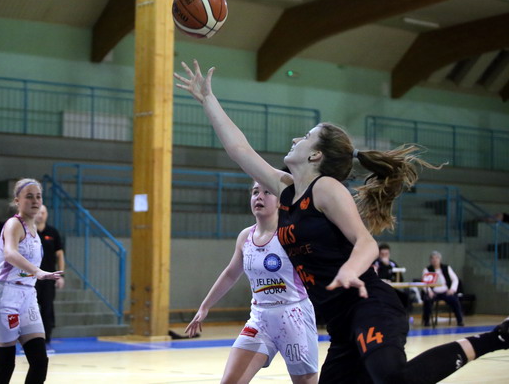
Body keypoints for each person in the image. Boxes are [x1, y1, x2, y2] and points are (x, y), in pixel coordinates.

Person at [174, 60, 509, 383]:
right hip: (340, 324)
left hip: (369, 306)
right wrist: (208, 100)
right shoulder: (286, 190)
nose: (295, 140)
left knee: (393, 379)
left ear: (315, 155)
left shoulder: (325, 189)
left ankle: (495, 338)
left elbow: (366, 242)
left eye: (305, 136)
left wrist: (349, 271)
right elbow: (240, 150)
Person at [186, 181, 318, 383]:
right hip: (260, 318)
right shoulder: (245, 237)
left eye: (267, 192)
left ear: (280, 201)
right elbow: (231, 274)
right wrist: (205, 306)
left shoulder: (292, 235)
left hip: (294, 316)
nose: (259, 197)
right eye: (255, 192)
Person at [0, 178, 63, 384]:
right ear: (17, 200)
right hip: (5, 295)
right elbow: (10, 253)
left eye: (38, 196)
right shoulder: (14, 224)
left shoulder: (35, 230)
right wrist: (37, 272)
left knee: (40, 361)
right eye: (29, 196)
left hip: (27, 296)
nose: (35, 200)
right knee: (5, 366)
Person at [34, 204, 65, 348]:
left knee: (47, 308)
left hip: (49, 277)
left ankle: (46, 337)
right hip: (32, 277)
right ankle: (31, 337)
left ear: (46, 215)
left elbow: (60, 254)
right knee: (31, 308)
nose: (40, 215)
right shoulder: (29, 231)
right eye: (38, 212)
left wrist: (61, 275)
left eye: (43, 212)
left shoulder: (53, 232)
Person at [421, 251, 464, 327]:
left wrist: (452, 289)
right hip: (433, 292)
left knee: (455, 300)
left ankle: (460, 320)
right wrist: (429, 292)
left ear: (440, 259)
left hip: (445, 291)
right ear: (430, 260)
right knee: (427, 300)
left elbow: (455, 279)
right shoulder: (427, 270)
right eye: (432, 258)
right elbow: (424, 283)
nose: (435, 260)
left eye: (436, 258)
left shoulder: (446, 268)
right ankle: (426, 321)